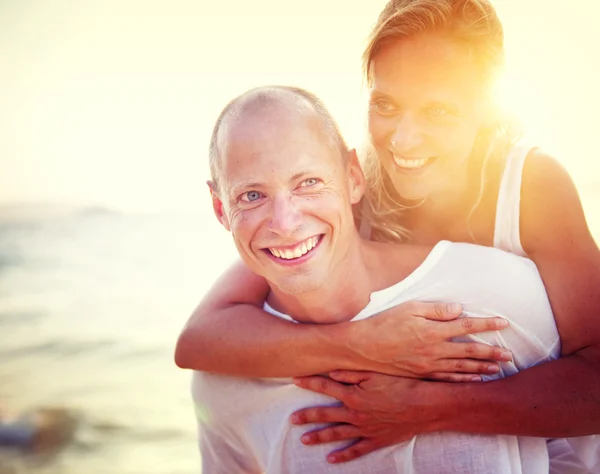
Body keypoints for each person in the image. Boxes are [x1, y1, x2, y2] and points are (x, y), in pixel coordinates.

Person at [177, 0, 600, 470]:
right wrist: (361, 343)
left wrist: (427, 408)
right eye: (385, 104)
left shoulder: (529, 185)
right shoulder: (356, 186)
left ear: (485, 109)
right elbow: (200, 339)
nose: (403, 139)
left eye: (438, 111)